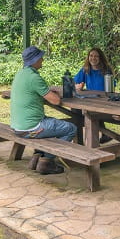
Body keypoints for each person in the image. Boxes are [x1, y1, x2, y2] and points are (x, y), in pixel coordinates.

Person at [10, 46, 77, 175]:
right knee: (71, 128)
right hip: (31, 128)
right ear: (34, 60)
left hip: (18, 126)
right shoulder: (34, 78)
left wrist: (48, 92)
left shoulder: (21, 74)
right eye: (40, 57)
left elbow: (39, 92)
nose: (42, 59)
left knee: (54, 123)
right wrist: (54, 94)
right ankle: (47, 161)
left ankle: (37, 157)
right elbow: (56, 101)